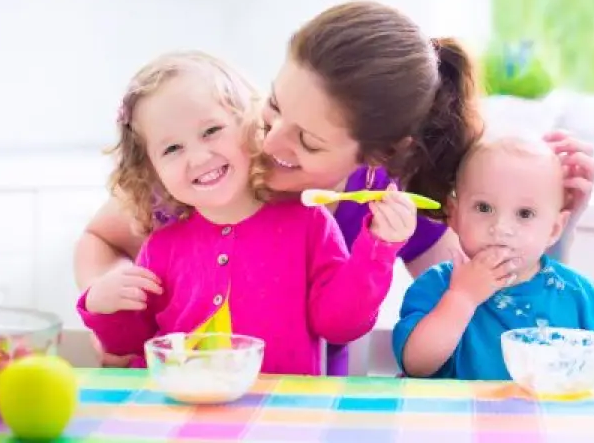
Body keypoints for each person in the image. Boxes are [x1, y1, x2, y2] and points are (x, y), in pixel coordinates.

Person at [73, 0, 594, 371]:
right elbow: (100, 240)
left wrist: (562, 227)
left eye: (308, 141)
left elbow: (494, 305)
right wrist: (120, 306)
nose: (271, 139)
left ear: (374, 161)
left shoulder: (380, 201)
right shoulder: (205, 167)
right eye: (275, 104)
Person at [77, 51, 416, 374]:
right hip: (178, 413)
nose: (197, 158)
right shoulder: (161, 247)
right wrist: (101, 305)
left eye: (211, 131)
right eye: (172, 148)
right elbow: (129, 344)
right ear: (151, 169)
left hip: (277, 415)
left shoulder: (307, 223)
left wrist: (377, 249)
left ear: (250, 124)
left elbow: (341, 325)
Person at [392, 134, 594, 384]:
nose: (501, 227)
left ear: (554, 229)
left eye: (524, 214)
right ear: (454, 213)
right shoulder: (438, 286)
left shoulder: (575, 292)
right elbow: (416, 365)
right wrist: (461, 299)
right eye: (484, 207)